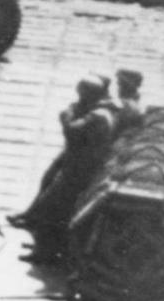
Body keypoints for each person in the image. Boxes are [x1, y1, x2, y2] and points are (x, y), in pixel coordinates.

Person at [12, 75, 119, 262]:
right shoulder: (102, 111)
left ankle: (45, 253)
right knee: (53, 204)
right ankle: (46, 247)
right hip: (78, 166)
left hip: (79, 171)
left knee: (50, 210)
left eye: (82, 95)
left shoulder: (97, 116)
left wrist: (67, 115)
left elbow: (72, 130)